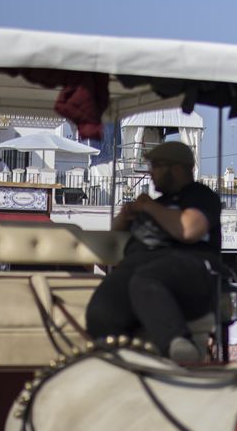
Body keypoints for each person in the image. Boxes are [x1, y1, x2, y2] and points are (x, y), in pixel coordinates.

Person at [86, 140, 220, 363]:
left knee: (147, 278)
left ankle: (177, 343)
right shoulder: (155, 204)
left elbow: (188, 229)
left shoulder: (200, 197)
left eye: (156, 166)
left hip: (188, 269)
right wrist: (124, 218)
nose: (150, 173)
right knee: (101, 308)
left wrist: (149, 207)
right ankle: (116, 358)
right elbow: (113, 243)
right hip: (138, 266)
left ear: (177, 168)